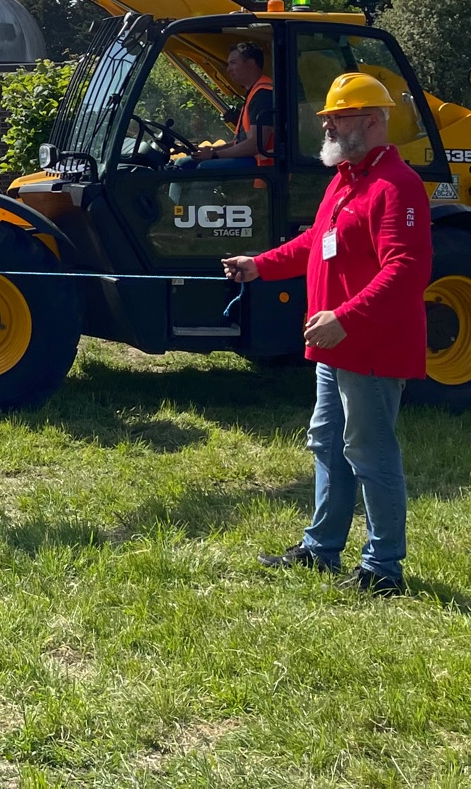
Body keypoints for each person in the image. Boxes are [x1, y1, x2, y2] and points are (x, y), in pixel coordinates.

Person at [221, 71, 430, 596]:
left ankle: (384, 568)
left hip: (370, 346)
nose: (329, 126)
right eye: (328, 119)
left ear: (374, 121)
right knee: (328, 445)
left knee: (368, 451)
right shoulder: (347, 179)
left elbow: (405, 270)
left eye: (339, 117)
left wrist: (346, 318)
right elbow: (317, 241)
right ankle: (321, 549)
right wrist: (259, 265)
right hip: (336, 345)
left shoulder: (396, 186)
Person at [175, 41, 275, 173]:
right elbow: (239, 143)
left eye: (233, 63)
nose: (228, 69)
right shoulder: (254, 92)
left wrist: (214, 155)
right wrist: (212, 149)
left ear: (251, 63)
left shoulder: (264, 95)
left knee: (204, 169)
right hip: (252, 160)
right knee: (182, 163)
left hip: (264, 167)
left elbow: (256, 145)